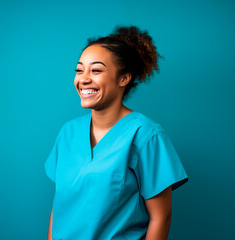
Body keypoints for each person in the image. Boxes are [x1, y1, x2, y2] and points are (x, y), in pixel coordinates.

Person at [44, 26, 188, 240]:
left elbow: (161, 217)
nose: (83, 79)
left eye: (96, 70)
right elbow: (61, 205)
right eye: (79, 70)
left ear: (124, 78)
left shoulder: (146, 135)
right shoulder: (68, 132)